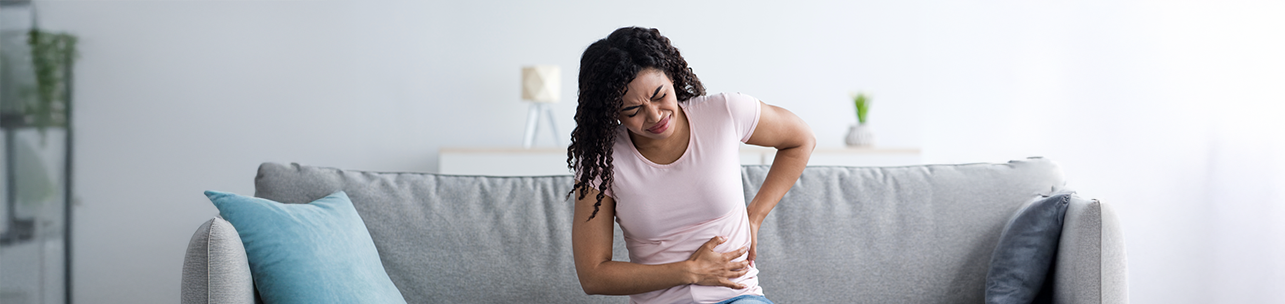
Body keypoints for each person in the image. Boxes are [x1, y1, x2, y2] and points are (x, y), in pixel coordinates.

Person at [568, 27, 815, 304]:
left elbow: (801, 139)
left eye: (659, 95)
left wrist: (754, 217)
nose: (655, 116)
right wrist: (690, 272)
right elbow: (593, 275)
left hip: (738, 297)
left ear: (671, 77)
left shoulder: (724, 113)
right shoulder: (603, 160)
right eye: (632, 111)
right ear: (612, 113)